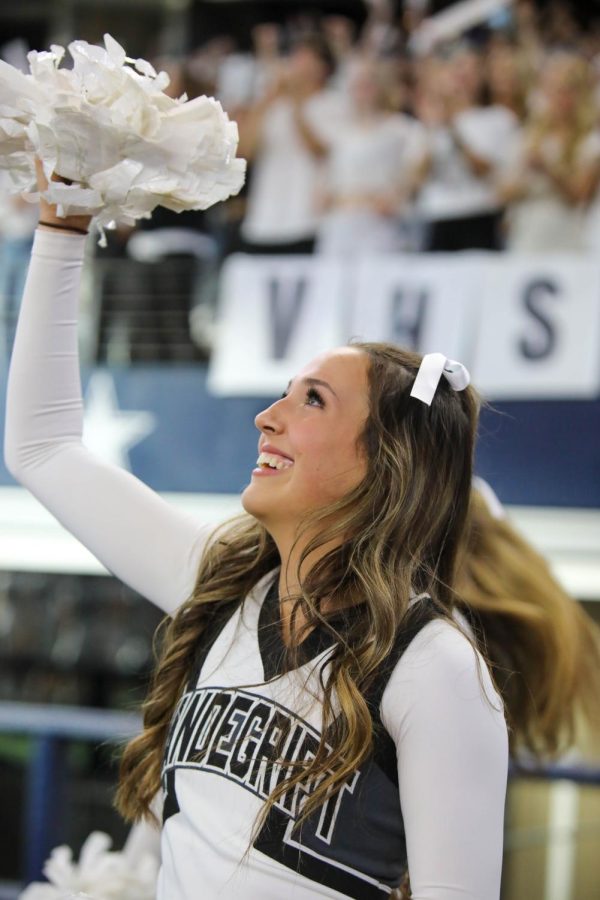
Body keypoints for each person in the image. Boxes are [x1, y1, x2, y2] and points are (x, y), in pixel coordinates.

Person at [5, 172, 508, 899]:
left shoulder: (435, 668)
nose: (266, 417)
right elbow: (42, 449)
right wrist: (63, 230)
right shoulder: (222, 583)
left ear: (381, 460)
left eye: (311, 400)